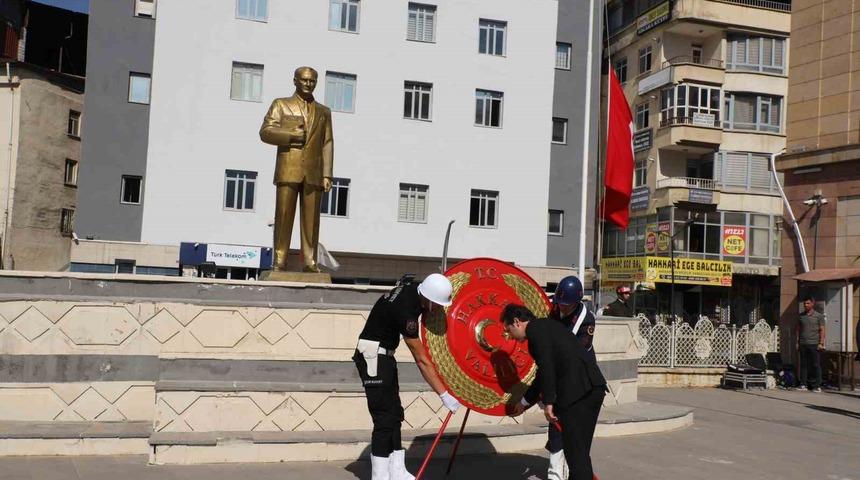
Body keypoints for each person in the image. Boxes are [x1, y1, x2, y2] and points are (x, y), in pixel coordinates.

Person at [353, 273, 461, 480]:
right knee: (384, 419)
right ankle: (380, 476)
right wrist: (444, 395)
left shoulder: (413, 291)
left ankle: (397, 471)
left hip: (384, 355)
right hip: (372, 357)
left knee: (395, 414)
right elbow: (421, 360)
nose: (439, 309)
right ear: (428, 299)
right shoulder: (406, 312)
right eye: (438, 305)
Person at [504, 304, 606, 480]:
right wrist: (524, 402)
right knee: (579, 452)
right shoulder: (547, 326)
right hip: (593, 388)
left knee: (575, 453)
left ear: (516, 322)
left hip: (579, 394)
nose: (510, 335)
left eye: (509, 330)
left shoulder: (535, 332)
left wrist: (549, 402)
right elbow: (542, 374)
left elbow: (547, 367)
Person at [259, 66, 333, 273]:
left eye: (312, 81)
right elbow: (265, 131)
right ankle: (279, 260)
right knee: (283, 217)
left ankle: (310, 261)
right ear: (295, 81)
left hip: (314, 172)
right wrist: (290, 135)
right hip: (288, 169)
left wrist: (327, 174)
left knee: (312, 221)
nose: (308, 84)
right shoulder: (281, 104)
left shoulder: (324, 111)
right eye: (304, 80)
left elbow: (327, 143)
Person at [545, 276, 596, 479]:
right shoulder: (553, 309)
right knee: (556, 427)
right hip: (559, 377)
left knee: (576, 435)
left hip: (581, 381)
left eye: (567, 305)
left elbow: (575, 353)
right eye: (560, 303)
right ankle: (555, 474)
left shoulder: (586, 320)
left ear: (576, 302)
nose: (562, 308)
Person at [796, 296, 825, 392]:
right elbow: (798, 330)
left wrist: (821, 343)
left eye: (808, 303)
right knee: (803, 365)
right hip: (803, 343)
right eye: (804, 303)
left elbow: (822, 330)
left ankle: (817, 385)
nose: (806, 305)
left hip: (814, 344)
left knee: (815, 364)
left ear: (813, 304)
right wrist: (797, 342)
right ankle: (803, 384)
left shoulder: (819, 316)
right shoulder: (801, 316)